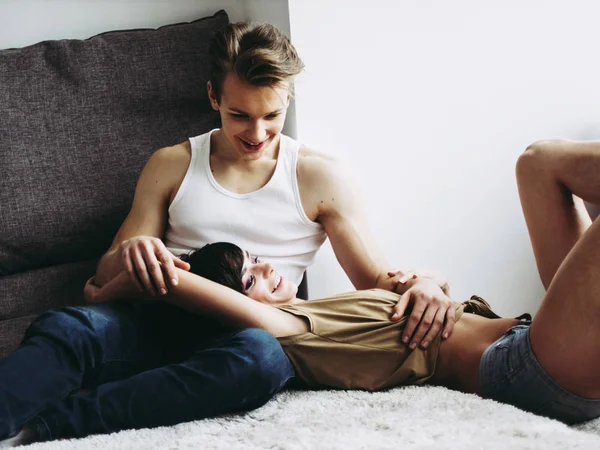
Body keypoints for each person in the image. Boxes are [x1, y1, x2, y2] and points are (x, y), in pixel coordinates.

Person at [0, 21, 453, 446]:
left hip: (247, 335)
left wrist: (426, 283)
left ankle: (51, 425)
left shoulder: (319, 177)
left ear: (289, 98)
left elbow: (373, 280)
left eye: (271, 115)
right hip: (155, 319)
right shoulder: (173, 163)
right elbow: (104, 274)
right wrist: (133, 251)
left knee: (261, 360)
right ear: (213, 96)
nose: (257, 133)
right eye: (240, 115)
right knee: (74, 326)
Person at [85, 139, 600, 424]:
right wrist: (108, 290)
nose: (269, 270)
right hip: (529, 370)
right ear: (235, 308)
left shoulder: (330, 310)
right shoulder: (285, 332)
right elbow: (185, 290)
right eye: (250, 279)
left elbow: (404, 282)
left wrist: (431, 282)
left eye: (258, 259)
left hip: (528, 337)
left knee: (536, 163)